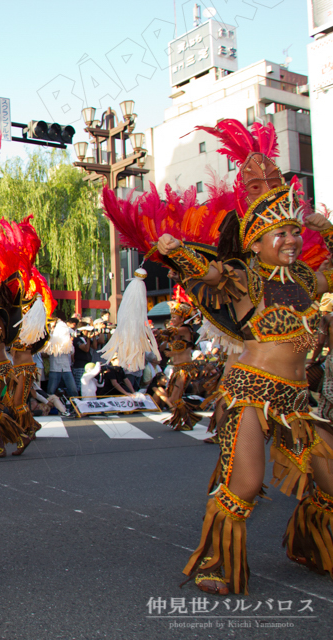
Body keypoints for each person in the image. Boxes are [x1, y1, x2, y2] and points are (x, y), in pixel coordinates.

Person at [119, 117, 333, 595]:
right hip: (250, 394)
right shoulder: (245, 280)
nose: (293, 242)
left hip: (298, 398)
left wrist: (329, 231)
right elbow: (209, 273)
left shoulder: (306, 281)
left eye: (296, 234)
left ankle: (312, 545)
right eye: (281, 235)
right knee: (246, 485)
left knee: (329, 480)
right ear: (256, 243)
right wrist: (176, 253)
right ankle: (217, 562)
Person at [0, 217, 53, 459]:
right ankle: (10, 439)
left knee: (8, 406)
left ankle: (23, 433)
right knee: (0, 408)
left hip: (8, 370)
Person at [154, 287, 202, 430]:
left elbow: (169, 331)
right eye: (172, 317)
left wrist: (161, 331)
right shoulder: (173, 332)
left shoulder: (185, 330)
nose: (172, 320)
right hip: (175, 368)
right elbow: (162, 348)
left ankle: (189, 420)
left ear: (183, 319)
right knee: (173, 397)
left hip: (185, 369)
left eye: (175, 317)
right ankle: (186, 420)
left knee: (175, 398)